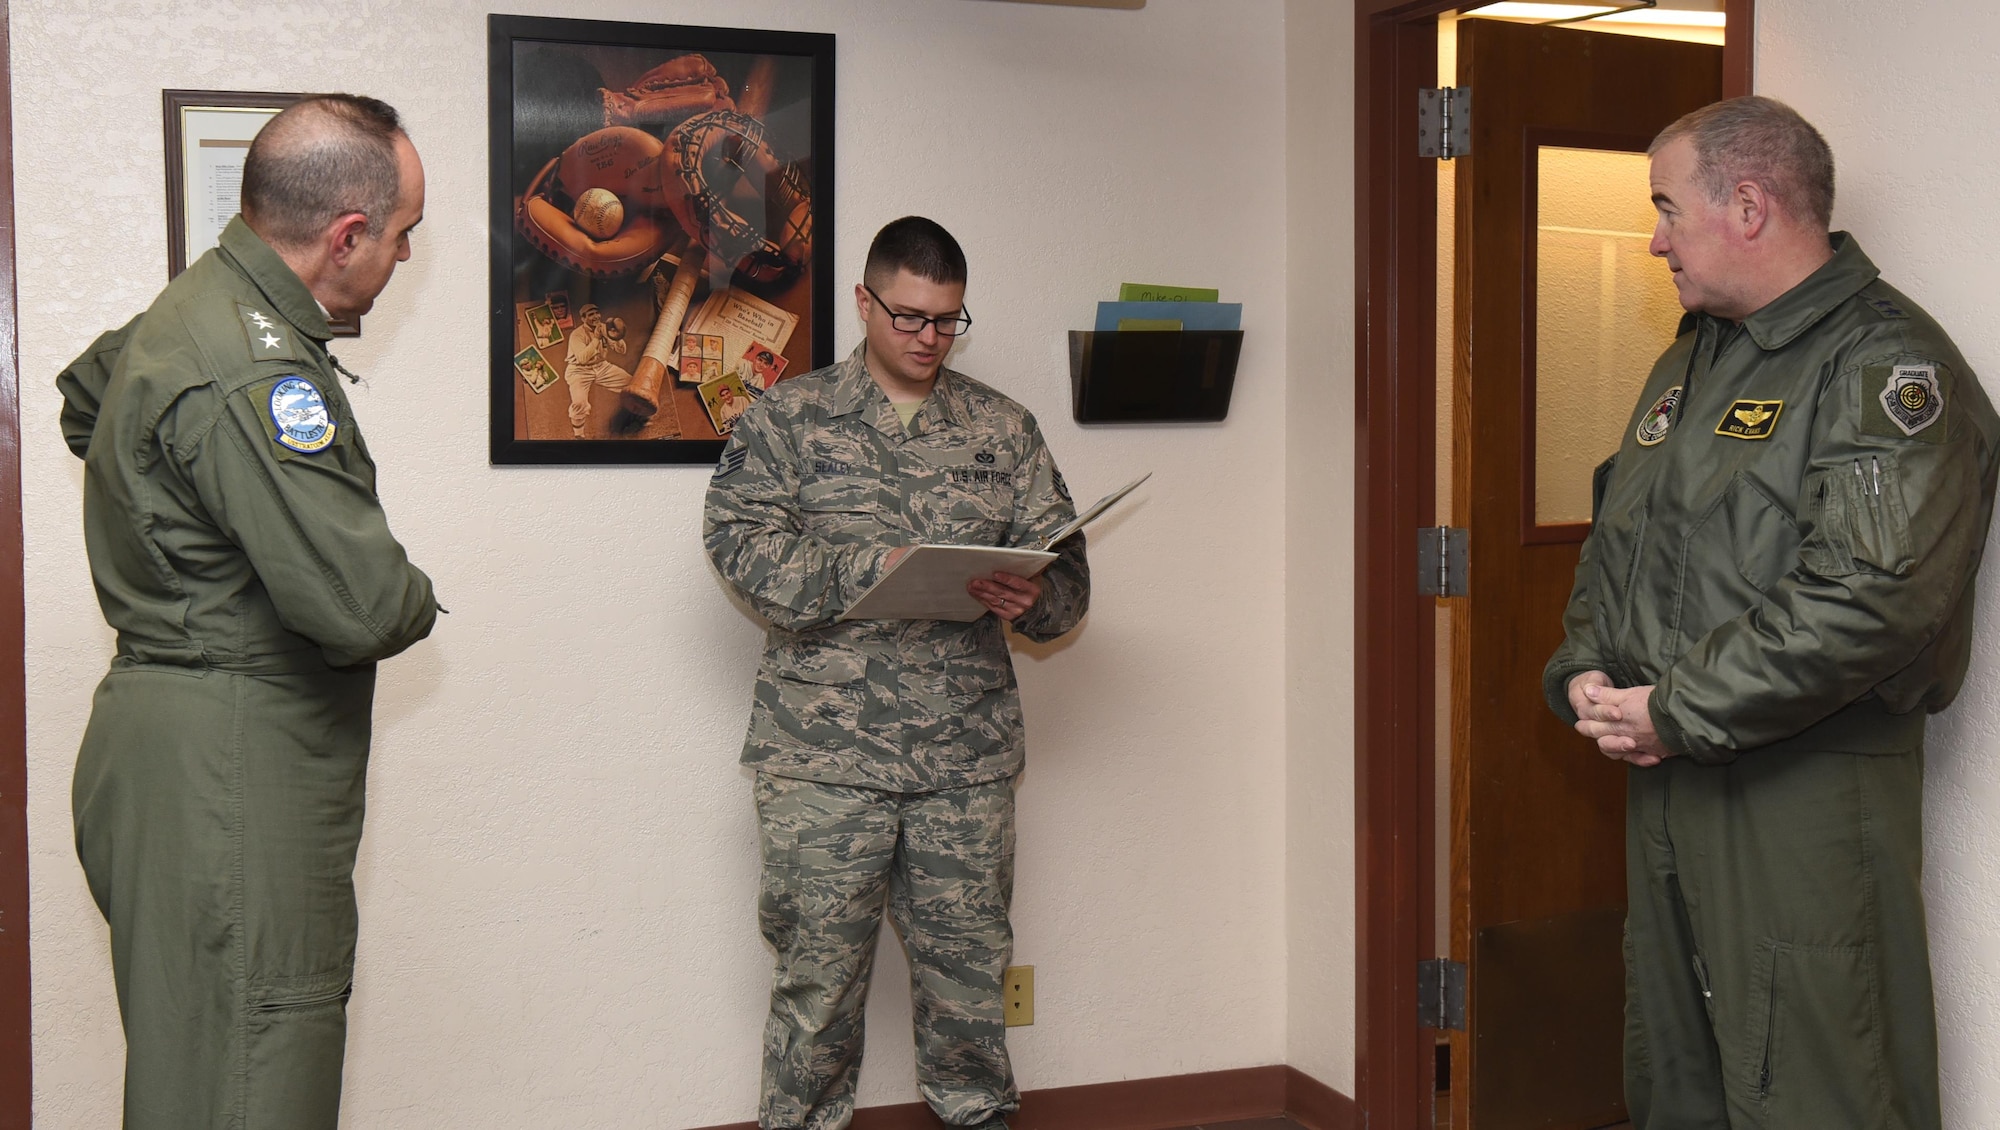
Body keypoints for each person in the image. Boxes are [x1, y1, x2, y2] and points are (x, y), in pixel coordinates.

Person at [1544, 96, 1999, 1129]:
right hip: (1672, 771)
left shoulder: (1881, 367)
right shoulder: (1694, 357)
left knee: (1815, 1079)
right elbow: (1621, 531)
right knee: (1679, 1075)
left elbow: (1866, 600)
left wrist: (1675, 706)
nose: (1651, 239)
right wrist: (1586, 665)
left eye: (1664, 207)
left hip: (1804, 783)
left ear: (1746, 205)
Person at [55, 94, 438, 1128]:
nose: (404, 259)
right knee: (252, 1077)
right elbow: (365, 605)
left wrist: (178, 550)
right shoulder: (255, 366)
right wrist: (415, 596)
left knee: (199, 1072)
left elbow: (87, 398)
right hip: (230, 764)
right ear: (347, 235)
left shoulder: (197, 307)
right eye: (401, 238)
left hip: (172, 749)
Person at [704, 216, 1090, 1130]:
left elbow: (1067, 582)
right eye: (911, 317)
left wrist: (1027, 597)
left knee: (970, 988)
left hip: (966, 759)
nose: (929, 339)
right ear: (864, 301)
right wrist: (862, 569)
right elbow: (736, 546)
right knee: (818, 992)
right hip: (824, 763)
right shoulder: (788, 419)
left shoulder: (1003, 429)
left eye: (948, 321)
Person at [562, 301, 631, 437]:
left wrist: (617, 336)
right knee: (579, 403)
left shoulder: (604, 328)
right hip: (579, 370)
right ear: (583, 318)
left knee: (632, 383)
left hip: (601, 366)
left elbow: (622, 350)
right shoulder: (577, 335)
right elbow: (582, 358)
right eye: (591, 314)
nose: (595, 316)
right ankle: (579, 435)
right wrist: (596, 339)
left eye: (597, 313)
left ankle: (634, 416)